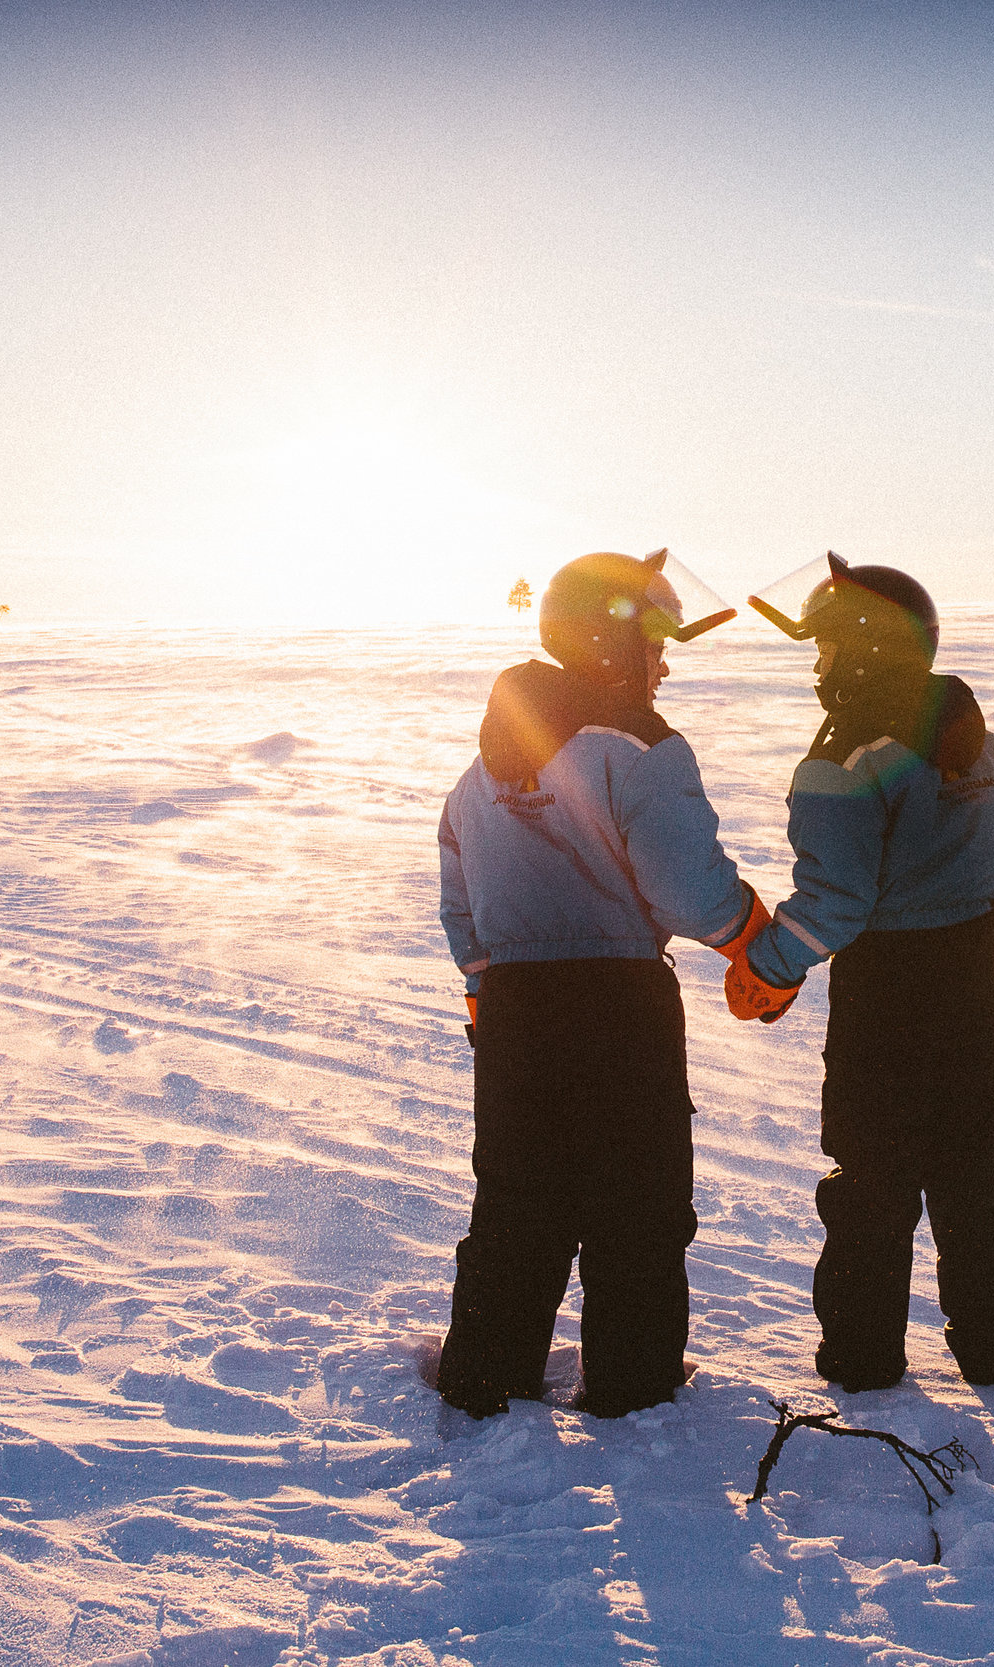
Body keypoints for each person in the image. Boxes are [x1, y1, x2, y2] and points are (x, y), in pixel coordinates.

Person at [435, 550, 768, 1419]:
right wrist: (752, 935)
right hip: (620, 1006)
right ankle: (632, 1387)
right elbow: (687, 891)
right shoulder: (640, 746)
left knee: (517, 1201)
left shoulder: (481, 771)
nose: (664, 666)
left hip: (514, 1012)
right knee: (637, 1206)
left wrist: (486, 995)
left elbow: (458, 901)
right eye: (655, 646)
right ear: (611, 646)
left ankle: (484, 1376)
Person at [723, 555, 994, 1392]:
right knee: (978, 1170)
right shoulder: (993, 749)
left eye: (825, 648)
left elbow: (836, 900)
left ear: (861, 654)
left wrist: (767, 967)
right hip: (978, 980)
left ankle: (863, 1357)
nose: (819, 667)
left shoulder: (843, 759)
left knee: (873, 1176)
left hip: (888, 991)